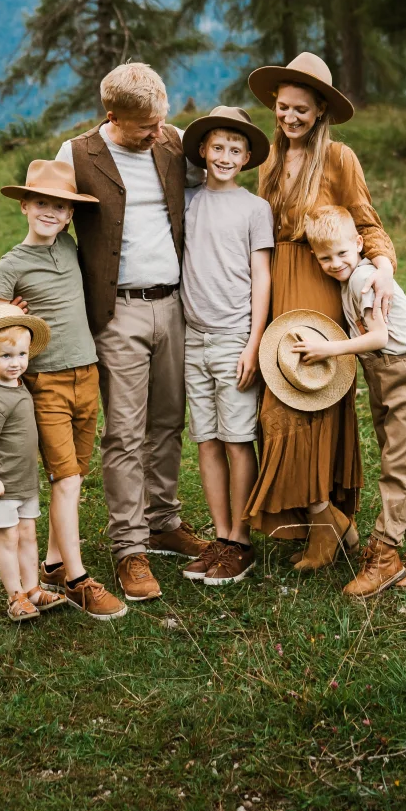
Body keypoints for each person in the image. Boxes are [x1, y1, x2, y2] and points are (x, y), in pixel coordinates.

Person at [55, 62, 205, 602]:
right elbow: (48, 222)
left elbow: (208, 190)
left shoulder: (174, 142)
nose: (157, 133)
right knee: (124, 431)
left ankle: (164, 520)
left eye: (162, 121)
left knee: (168, 421)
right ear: (112, 115)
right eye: (146, 126)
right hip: (116, 313)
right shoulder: (75, 156)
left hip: (174, 303)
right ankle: (128, 547)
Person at [244, 51, 397, 570]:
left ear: (320, 114)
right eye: (283, 108)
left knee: (304, 402)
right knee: (276, 404)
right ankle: (331, 523)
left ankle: (324, 527)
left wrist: (383, 270)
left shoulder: (339, 159)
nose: (289, 119)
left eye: (301, 111)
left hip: (317, 290)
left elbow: (368, 225)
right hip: (273, 290)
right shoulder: (266, 158)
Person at [0, 161, 127, 621]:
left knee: (74, 472)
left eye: (60, 206)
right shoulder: (10, 265)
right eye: (42, 204)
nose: (51, 213)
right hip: (47, 382)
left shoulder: (72, 249)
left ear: (71, 214)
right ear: (24, 206)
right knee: (66, 478)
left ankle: (51, 565)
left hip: (87, 374)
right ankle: (77, 579)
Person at [300, 204, 406, 596]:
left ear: (359, 244)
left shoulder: (363, 279)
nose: (334, 263)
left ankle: (385, 553)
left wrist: (328, 349)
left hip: (403, 371)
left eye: (342, 253)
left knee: (398, 467)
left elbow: (377, 337)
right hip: (383, 373)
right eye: (325, 257)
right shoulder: (348, 282)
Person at [178, 106, 274, 585]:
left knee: (238, 441)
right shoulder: (188, 201)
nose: (225, 156)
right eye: (217, 147)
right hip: (192, 338)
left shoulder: (255, 209)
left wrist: (253, 344)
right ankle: (219, 536)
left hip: (234, 336)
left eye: (236, 149)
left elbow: (261, 277)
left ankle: (241, 539)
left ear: (248, 157)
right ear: (202, 150)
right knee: (207, 440)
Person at [0, 308, 67, 622]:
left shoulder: (19, 383)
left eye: (21, 354)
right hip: (2, 484)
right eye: (6, 356)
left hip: (24, 481)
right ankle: (15, 596)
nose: (16, 363)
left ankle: (33, 589)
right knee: (8, 538)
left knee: (28, 534)